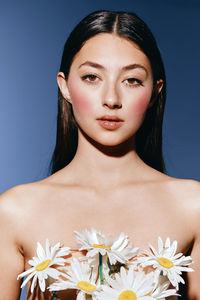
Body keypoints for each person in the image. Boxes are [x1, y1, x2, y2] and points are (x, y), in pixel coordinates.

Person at [0, 10, 199, 300]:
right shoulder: (14, 211)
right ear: (65, 85)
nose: (111, 99)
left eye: (132, 80)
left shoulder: (192, 206)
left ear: (155, 92)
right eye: (92, 77)